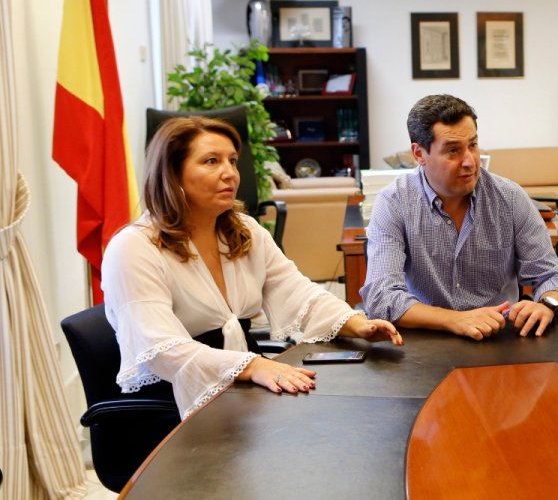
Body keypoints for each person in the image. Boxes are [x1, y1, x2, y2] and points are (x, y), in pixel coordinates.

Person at [103, 117, 402, 419]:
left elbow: (295, 290)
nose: (230, 173)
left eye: (232, 161)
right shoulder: (134, 248)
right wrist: (252, 365)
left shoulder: (243, 230)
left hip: (241, 385)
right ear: (172, 174)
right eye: (211, 161)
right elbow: (162, 348)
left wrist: (354, 322)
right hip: (172, 403)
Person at [361, 94, 558, 340]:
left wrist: (547, 304)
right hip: (426, 339)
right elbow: (381, 298)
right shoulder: (394, 203)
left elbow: (554, 277)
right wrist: (456, 320)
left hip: (498, 339)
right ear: (419, 154)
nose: (470, 162)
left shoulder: (511, 198)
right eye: (453, 151)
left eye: (472, 145)